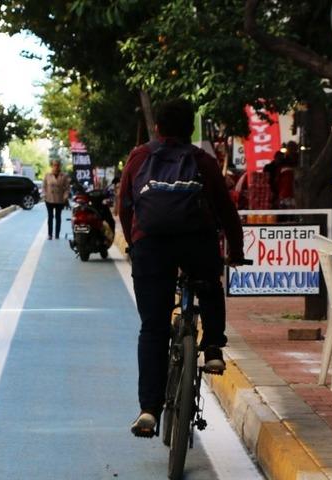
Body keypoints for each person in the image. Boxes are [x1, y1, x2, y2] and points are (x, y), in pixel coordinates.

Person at [118, 98, 245, 437]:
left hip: (151, 247)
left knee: (153, 328)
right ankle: (214, 347)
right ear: (190, 129)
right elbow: (225, 210)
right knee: (209, 283)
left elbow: (124, 207)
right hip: (195, 243)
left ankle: (148, 409)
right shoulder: (202, 161)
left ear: (156, 127)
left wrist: (136, 244)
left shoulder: (139, 157)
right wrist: (235, 250)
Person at [43, 160, 71, 240]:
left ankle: (57, 234)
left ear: (60, 166)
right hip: (49, 199)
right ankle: (50, 234)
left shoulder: (64, 176)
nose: (56, 167)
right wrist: (44, 194)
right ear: (52, 166)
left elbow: (67, 188)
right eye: (54, 165)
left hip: (60, 200)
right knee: (50, 217)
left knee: (58, 217)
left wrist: (65, 196)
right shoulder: (47, 175)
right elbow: (44, 186)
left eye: (58, 165)